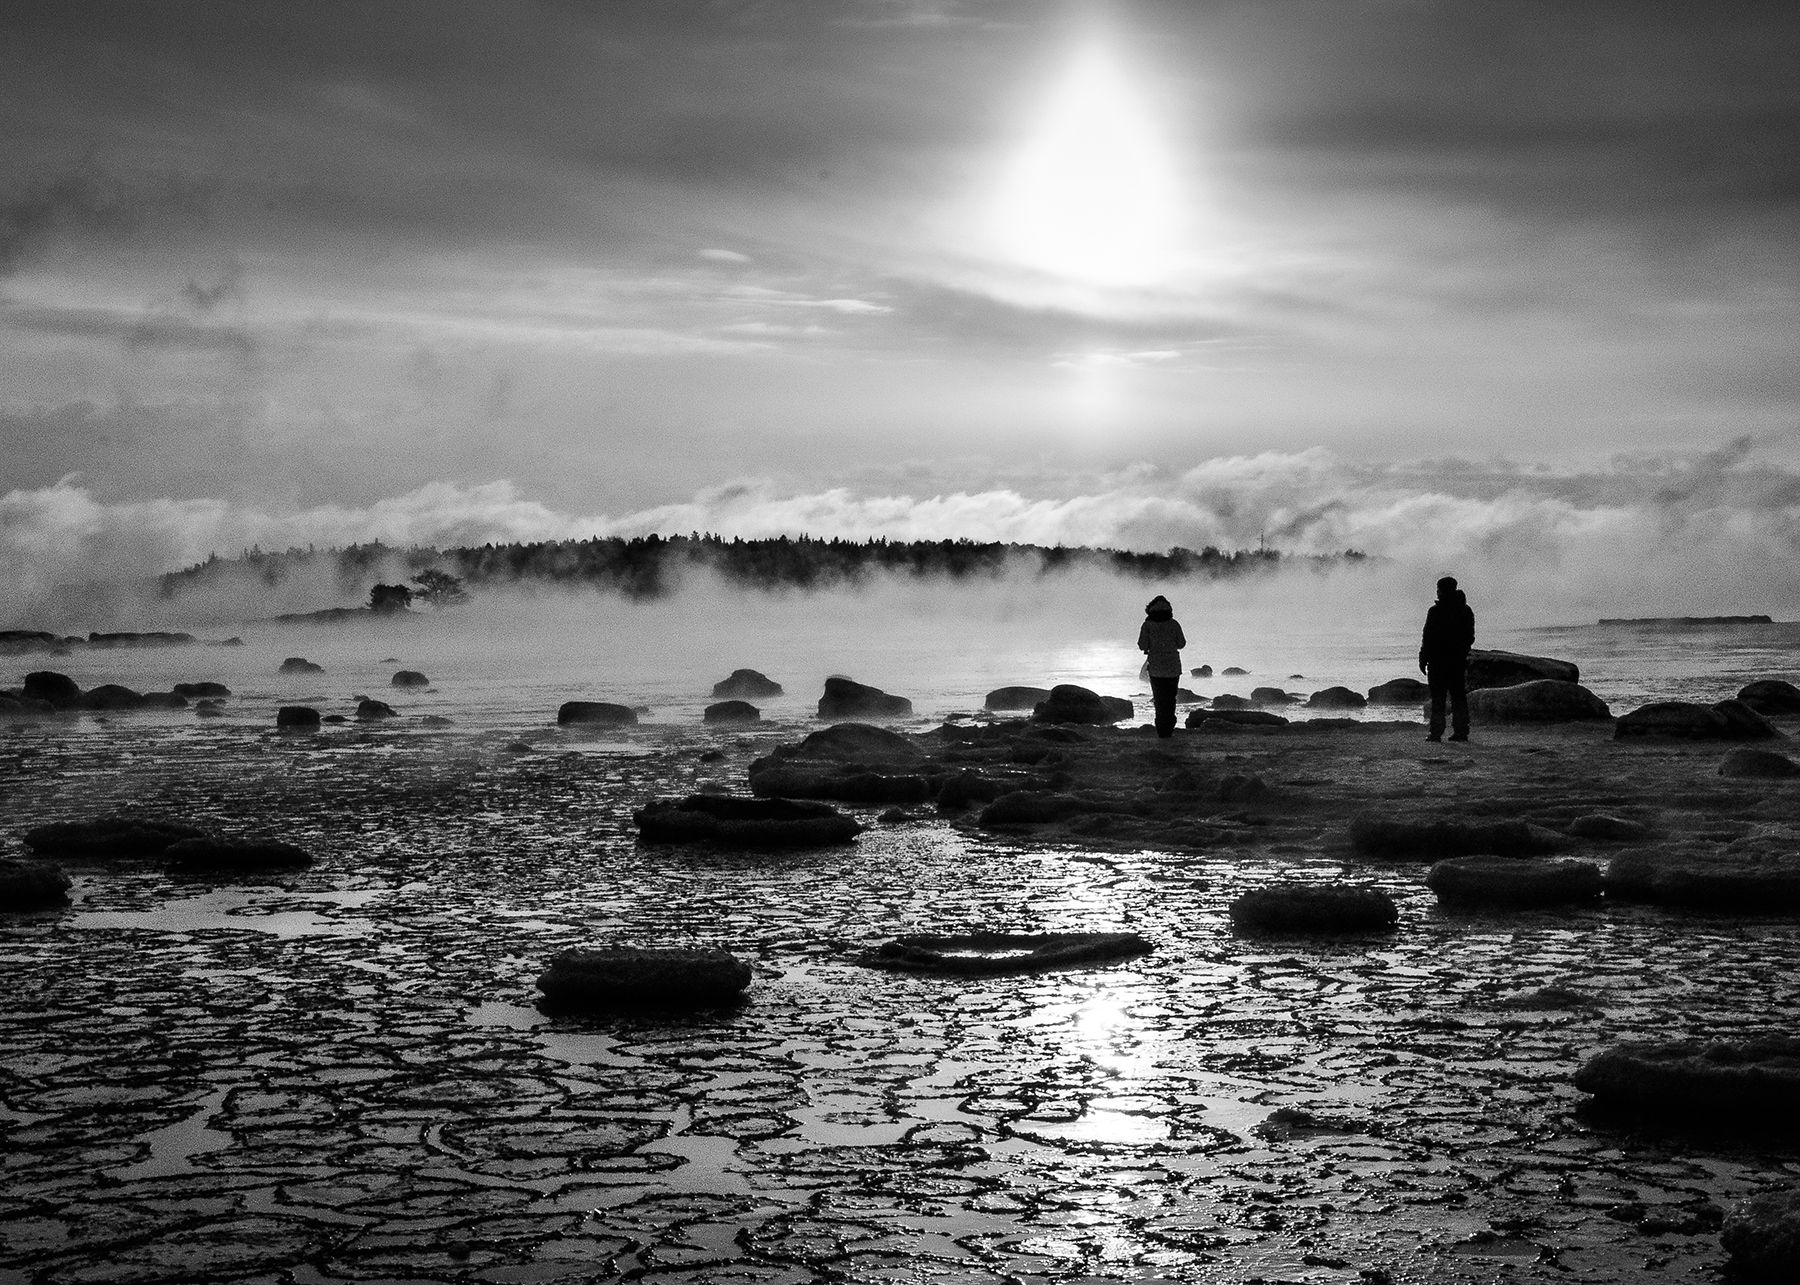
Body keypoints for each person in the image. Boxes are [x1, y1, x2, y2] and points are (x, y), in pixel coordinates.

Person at [1419, 575, 1475, 742]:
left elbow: (1427, 637)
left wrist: (1423, 658)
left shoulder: (1435, 611)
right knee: (1458, 697)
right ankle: (1461, 732)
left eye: (1438, 589)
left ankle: (1436, 733)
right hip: (1456, 662)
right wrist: (1462, 652)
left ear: (1443, 590)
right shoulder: (1465, 610)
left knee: (1438, 699)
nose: (1437, 592)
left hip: (1438, 662)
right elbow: (1469, 637)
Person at [1138, 595, 1187, 738]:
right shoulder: (1174, 624)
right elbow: (1181, 644)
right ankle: (1169, 728)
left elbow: (1142, 645)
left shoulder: (1147, 625)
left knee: (1159, 700)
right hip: (1173, 667)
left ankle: (1161, 730)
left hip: (1156, 668)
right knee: (1171, 699)